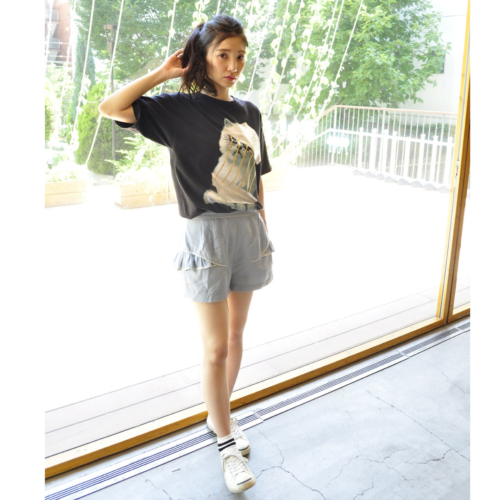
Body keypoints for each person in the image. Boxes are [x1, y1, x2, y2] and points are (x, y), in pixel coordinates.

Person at [98, 14, 274, 494]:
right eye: (223, 55)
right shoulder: (177, 109)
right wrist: (162, 73)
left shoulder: (250, 112)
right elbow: (110, 107)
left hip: (248, 231)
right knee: (215, 347)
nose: (233, 65)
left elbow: (256, 178)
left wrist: (265, 230)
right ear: (204, 57)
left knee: (235, 338)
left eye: (240, 56)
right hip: (206, 235)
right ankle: (226, 446)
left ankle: (222, 418)